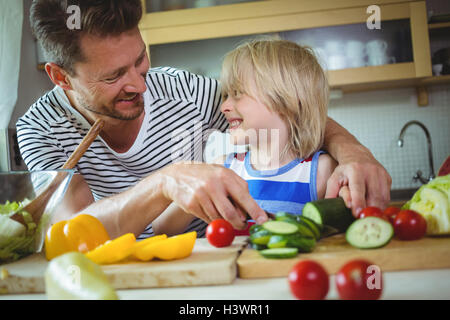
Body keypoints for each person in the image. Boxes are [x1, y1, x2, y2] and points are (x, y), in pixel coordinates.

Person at [17, 0, 391, 240]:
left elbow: (287, 115)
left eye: (140, 59)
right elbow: (73, 232)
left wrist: (355, 154)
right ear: (61, 77)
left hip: (212, 258)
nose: (139, 84)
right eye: (114, 76)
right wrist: (165, 182)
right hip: (121, 272)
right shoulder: (41, 129)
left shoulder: (187, 90)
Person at [218, 39, 337, 217]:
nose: (223, 107)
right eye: (226, 95)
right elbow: (163, 228)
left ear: (286, 99)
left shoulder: (322, 172)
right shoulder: (222, 170)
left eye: (237, 93)